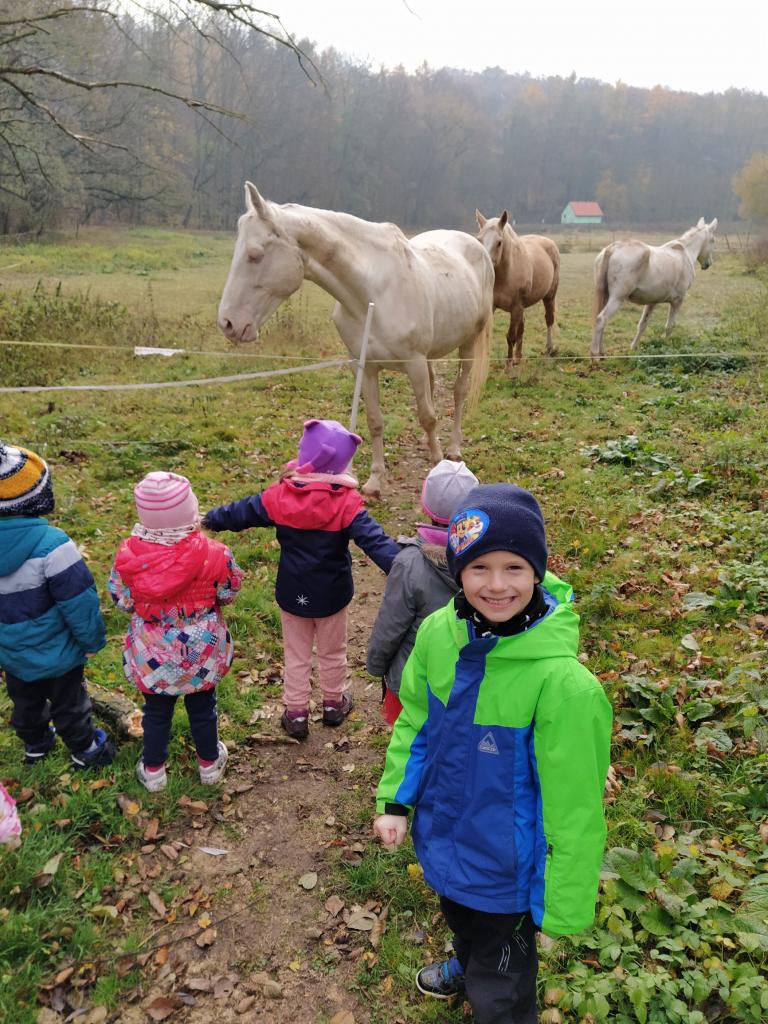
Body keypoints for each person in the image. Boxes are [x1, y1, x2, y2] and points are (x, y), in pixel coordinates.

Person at [374, 484, 612, 1024]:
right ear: (457, 570)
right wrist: (395, 800)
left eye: (514, 568)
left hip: (509, 881)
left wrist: (559, 907)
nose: (497, 585)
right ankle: (468, 960)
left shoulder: (563, 687)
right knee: (461, 920)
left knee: (502, 995)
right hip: (445, 843)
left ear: (537, 572)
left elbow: (574, 810)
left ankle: (489, 982)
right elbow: (415, 722)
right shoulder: (439, 634)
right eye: (479, 567)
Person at [203, 419, 400, 740]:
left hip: (292, 592)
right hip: (332, 595)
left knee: (296, 655)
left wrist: (213, 519)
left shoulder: (281, 496)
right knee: (333, 651)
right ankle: (334, 704)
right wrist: (403, 567)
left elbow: (243, 511)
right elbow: (375, 541)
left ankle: (295, 713)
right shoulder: (345, 503)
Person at [109, 471, 242, 792]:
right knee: (203, 707)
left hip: (152, 652)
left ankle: (154, 770)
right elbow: (229, 590)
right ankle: (209, 764)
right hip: (202, 650)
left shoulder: (129, 557)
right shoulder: (216, 553)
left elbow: (121, 599)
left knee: (156, 711)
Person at [0, 441, 114, 769]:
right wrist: (91, 641)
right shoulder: (54, 546)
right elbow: (79, 601)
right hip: (59, 654)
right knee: (70, 703)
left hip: (12, 654)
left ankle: (36, 745)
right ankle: (85, 750)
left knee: (25, 701)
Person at [366, 459, 479, 725]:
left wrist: (376, 665)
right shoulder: (486, 563)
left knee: (410, 743)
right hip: (467, 684)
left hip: (412, 682)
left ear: (425, 504)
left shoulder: (409, 563)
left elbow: (391, 625)